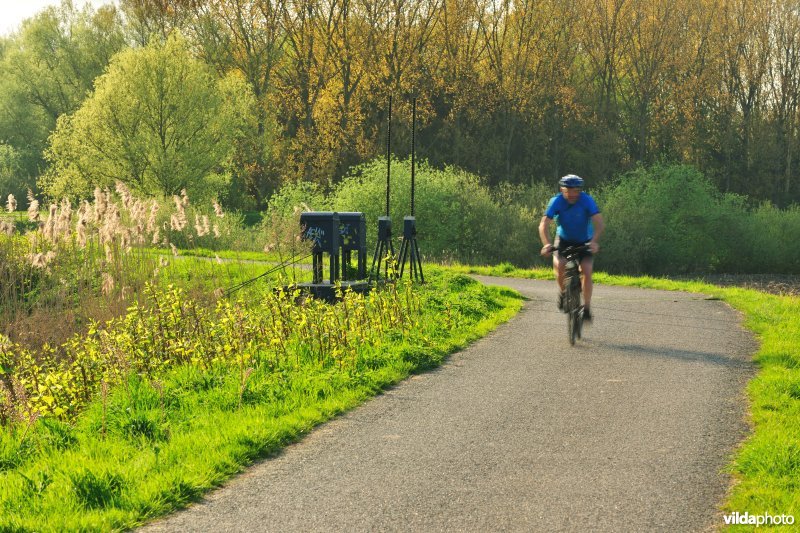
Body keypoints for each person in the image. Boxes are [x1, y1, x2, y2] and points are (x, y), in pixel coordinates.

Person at [538, 174, 605, 321]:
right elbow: (543, 224)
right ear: (562, 190)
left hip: (584, 241)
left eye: (576, 191)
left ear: (580, 190)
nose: (572, 194)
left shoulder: (587, 200)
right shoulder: (556, 201)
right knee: (560, 265)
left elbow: (599, 223)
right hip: (564, 239)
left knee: (587, 271)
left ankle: (586, 308)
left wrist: (594, 241)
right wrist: (547, 244)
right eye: (568, 190)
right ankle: (563, 293)